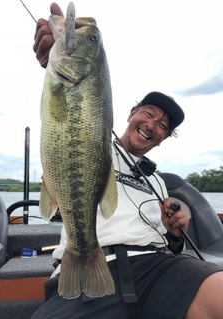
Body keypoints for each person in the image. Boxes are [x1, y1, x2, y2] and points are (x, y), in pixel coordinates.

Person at [32, 3, 223, 319]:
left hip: (158, 266)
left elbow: (167, 242)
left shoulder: (158, 181)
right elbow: (73, 118)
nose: (153, 124)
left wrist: (175, 237)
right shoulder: (96, 140)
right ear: (131, 114)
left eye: (163, 125)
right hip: (92, 261)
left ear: (162, 139)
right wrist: (51, 62)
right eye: (149, 113)